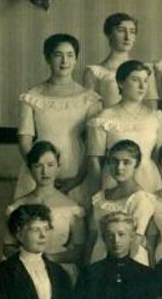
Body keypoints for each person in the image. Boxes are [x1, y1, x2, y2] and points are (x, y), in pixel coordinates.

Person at [14, 34, 102, 205]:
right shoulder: (32, 97)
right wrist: (40, 172)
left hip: (76, 167)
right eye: (57, 55)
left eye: (70, 55)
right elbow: (24, 139)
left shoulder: (89, 99)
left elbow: (93, 144)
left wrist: (78, 178)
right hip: (39, 166)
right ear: (47, 58)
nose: (64, 61)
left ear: (76, 59)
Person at [4, 141, 86, 279]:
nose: (45, 171)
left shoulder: (72, 207)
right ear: (29, 169)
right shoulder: (17, 206)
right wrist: (32, 260)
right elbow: (7, 247)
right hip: (26, 272)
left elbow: (79, 251)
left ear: (58, 167)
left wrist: (49, 259)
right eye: (38, 166)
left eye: (50, 165)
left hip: (60, 271)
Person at [86, 60, 162, 194]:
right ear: (121, 83)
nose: (142, 86)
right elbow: (94, 162)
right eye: (135, 80)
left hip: (148, 178)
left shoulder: (156, 117)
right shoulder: (104, 118)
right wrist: (96, 197)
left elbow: (160, 156)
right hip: (114, 179)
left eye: (145, 81)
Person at [86, 139, 156, 265]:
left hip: (128, 263)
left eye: (126, 162)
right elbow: (93, 236)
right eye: (114, 161)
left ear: (137, 165)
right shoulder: (100, 197)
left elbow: (135, 241)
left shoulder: (140, 199)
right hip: (98, 259)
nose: (119, 167)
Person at [83, 13, 159, 110]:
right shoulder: (94, 72)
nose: (127, 37)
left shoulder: (146, 69)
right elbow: (91, 111)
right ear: (109, 34)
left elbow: (152, 108)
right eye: (121, 31)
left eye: (132, 32)